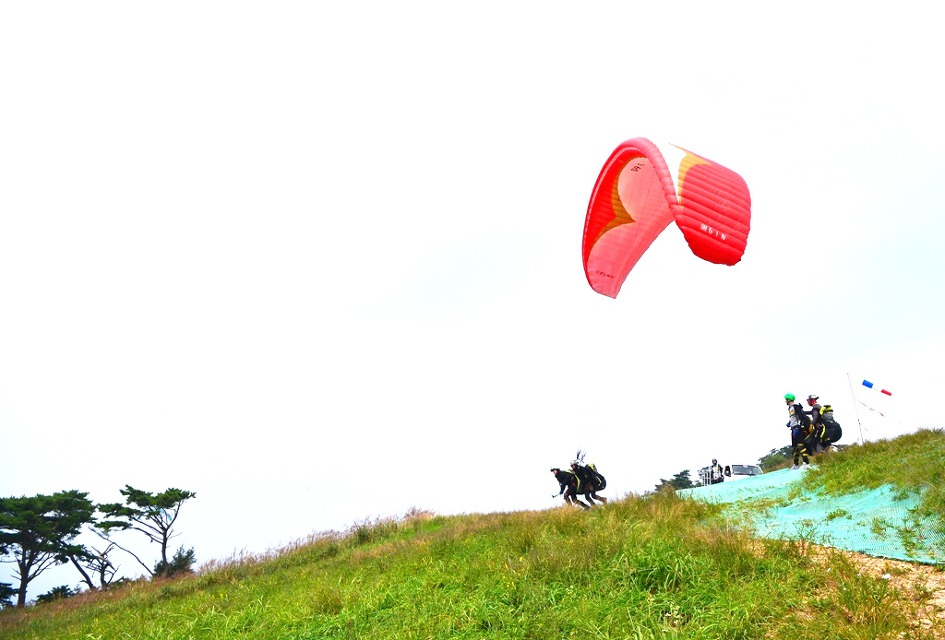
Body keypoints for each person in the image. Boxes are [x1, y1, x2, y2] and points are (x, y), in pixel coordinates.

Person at [784, 393, 812, 468]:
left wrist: (801, 426)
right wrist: (790, 423)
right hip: (793, 428)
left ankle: (806, 462)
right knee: (795, 447)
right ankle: (795, 464)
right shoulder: (790, 408)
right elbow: (793, 417)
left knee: (800, 445)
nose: (785, 401)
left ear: (789, 399)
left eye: (786, 400)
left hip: (798, 428)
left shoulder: (796, 406)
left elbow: (801, 417)